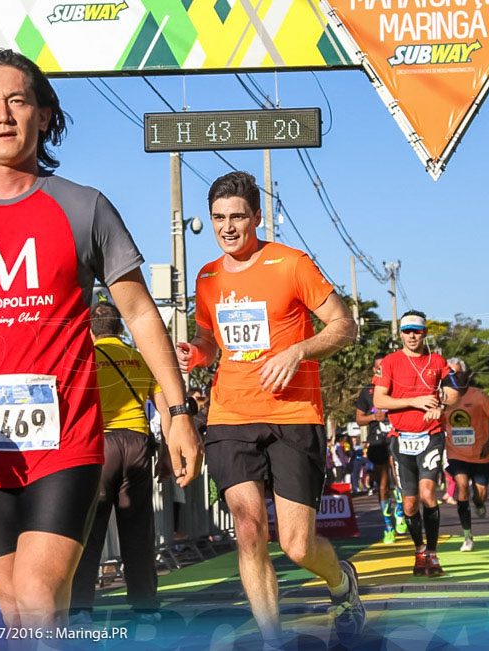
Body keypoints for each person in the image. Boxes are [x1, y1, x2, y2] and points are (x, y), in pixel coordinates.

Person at [0, 48, 203, 629]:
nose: (4, 115)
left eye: (19, 100)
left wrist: (177, 411)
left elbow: (143, 315)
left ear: (44, 115)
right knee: (16, 612)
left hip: (67, 437)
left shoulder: (84, 207)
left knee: (38, 596)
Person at [175, 170, 363, 645]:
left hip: (294, 415)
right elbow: (209, 342)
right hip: (230, 415)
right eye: (218, 218)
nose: (227, 227)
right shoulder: (208, 277)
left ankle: (341, 582)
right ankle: (272, 639)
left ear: (257, 217)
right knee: (248, 526)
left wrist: (298, 351)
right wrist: (194, 353)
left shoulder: (291, 264)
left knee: (296, 546)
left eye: (238, 216)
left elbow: (345, 325)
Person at [70, 302, 166, 622]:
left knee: (90, 530)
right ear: (121, 329)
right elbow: (163, 406)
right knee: (138, 529)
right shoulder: (140, 359)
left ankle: (81, 607)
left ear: (90, 331)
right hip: (138, 443)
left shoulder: (85, 360)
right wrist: (166, 451)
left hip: (100, 446)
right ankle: (145, 606)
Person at [373, 310, 462, 577]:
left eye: (418, 331)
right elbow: (380, 400)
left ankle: (432, 555)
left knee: (427, 494)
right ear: (400, 334)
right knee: (410, 504)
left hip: (431, 435)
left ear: (424, 333)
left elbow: (455, 393)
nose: (413, 336)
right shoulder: (389, 363)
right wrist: (415, 401)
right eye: (408, 331)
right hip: (401, 440)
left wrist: (441, 406)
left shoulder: (437, 361)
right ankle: (420, 550)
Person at [441, 358, 489, 552]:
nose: (454, 377)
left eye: (458, 373)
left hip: (480, 454)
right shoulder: (444, 399)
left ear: (466, 375)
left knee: (479, 495)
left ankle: (479, 503)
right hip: (456, 454)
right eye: (451, 374)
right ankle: (467, 536)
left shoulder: (479, 396)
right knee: (462, 488)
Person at [355, 354, 402, 543]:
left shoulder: (398, 388)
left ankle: (400, 510)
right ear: (374, 370)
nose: (382, 370)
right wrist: (375, 417)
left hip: (397, 437)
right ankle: (388, 526)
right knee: (383, 483)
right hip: (377, 442)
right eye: (379, 367)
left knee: (399, 476)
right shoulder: (367, 392)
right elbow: (359, 419)